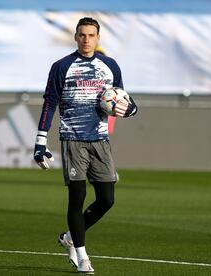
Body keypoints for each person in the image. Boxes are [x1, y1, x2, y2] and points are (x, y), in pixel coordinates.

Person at [33, 17, 138, 274]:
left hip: (100, 140)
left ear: (98, 37)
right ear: (76, 37)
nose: (86, 39)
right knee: (77, 197)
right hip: (72, 139)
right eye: (82, 35)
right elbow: (50, 103)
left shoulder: (111, 66)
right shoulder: (61, 66)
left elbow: (120, 101)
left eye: (91, 35)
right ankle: (82, 257)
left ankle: (70, 236)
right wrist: (40, 142)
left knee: (107, 199)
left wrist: (131, 109)